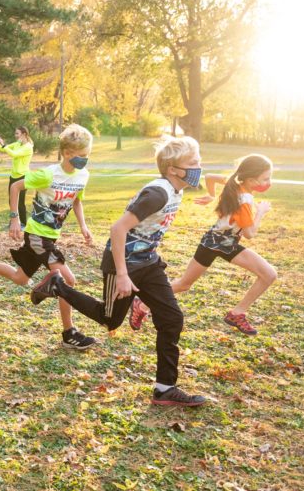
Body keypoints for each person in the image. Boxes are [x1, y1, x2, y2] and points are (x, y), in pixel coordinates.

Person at [31, 136, 207, 407]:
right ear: (173, 169)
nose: (199, 167)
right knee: (110, 320)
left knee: (171, 318)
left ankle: (165, 388)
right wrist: (123, 275)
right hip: (122, 263)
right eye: (193, 163)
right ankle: (58, 286)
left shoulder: (176, 188)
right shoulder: (157, 193)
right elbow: (118, 229)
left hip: (148, 262)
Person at [0, 124, 97, 350]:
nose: (85, 160)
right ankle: (69, 333)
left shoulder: (83, 175)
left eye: (87, 155)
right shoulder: (48, 174)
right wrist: (15, 218)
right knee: (68, 280)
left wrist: (83, 226)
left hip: (51, 237)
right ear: (67, 153)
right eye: (82, 156)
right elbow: (15, 187)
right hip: (36, 236)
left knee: (20, 278)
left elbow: (76, 200)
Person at [129, 154, 276, 336]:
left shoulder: (234, 184)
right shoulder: (244, 201)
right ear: (252, 179)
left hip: (228, 244)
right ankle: (142, 304)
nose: (269, 182)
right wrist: (260, 212)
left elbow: (209, 177)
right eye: (266, 178)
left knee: (269, 274)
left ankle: (237, 313)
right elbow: (250, 233)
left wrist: (211, 194)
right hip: (213, 243)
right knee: (184, 284)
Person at [0, 126, 34, 227]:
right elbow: (4, 150)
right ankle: (13, 222)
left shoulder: (28, 147)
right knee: (11, 201)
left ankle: (23, 223)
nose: (15, 136)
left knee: (20, 202)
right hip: (13, 176)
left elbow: (14, 154)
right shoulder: (18, 144)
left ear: (24, 134)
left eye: (17, 133)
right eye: (15, 133)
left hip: (23, 176)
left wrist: (3, 144)